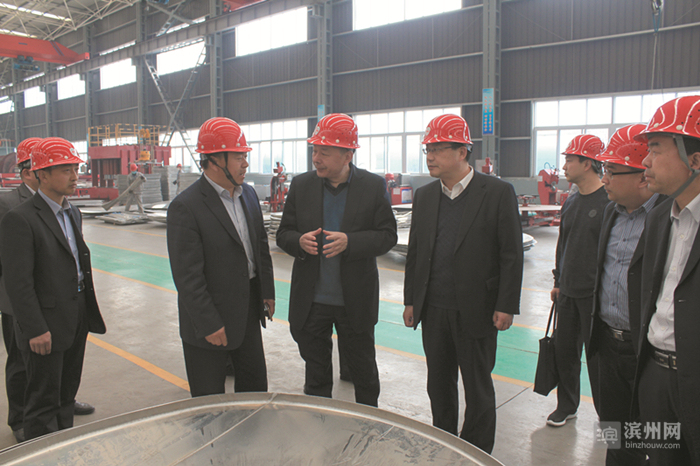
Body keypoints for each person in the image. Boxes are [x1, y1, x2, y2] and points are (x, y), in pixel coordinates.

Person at [402, 113, 523, 453]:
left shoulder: (496, 192)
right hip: (434, 308)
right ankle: (444, 445)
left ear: (462, 152)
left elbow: (511, 254)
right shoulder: (426, 196)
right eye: (428, 150)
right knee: (439, 385)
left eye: (437, 149)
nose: (430, 157)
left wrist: (506, 305)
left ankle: (476, 452)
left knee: (478, 388)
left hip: (478, 310)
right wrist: (411, 300)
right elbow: (416, 251)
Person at [276, 113, 397, 407]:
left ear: (347, 155)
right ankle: (321, 422)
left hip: (353, 300)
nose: (316, 159)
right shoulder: (302, 185)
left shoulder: (372, 186)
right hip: (312, 300)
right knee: (316, 374)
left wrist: (351, 242)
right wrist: (298, 241)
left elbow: (387, 235)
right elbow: (283, 233)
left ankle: (368, 422)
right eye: (314, 151)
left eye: (324, 153)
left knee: (363, 372)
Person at [0, 138, 106, 441]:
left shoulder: (72, 212)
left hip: (76, 314)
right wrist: (35, 328)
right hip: (45, 321)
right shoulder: (20, 218)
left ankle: (63, 444)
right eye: (65, 170)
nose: (74, 176)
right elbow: (19, 282)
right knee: (43, 398)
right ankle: (41, 450)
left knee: (66, 391)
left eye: (75, 169)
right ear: (41, 175)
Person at [167, 117, 275, 397]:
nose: (245, 164)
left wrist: (266, 292)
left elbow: (260, 247)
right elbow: (187, 277)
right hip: (209, 319)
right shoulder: (186, 207)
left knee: (254, 391)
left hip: (248, 311)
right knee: (210, 400)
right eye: (239, 157)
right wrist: (209, 323)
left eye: (244, 156)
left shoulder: (248, 194)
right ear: (214, 160)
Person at [587, 125, 663, 465]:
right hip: (607, 344)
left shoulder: (668, 218)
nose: (604, 179)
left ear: (642, 176)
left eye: (612, 171)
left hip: (645, 351)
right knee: (613, 431)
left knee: (655, 438)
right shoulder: (611, 212)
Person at [632, 95, 700, 465]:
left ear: (696, 160)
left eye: (656, 149)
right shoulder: (659, 219)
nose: (645, 161)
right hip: (656, 377)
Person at [548, 134, 609, 427]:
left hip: (595, 296)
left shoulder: (609, 201)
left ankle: (606, 412)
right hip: (568, 292)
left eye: (569, 160)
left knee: (598, 359)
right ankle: (567, 406)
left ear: (587, 163)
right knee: (565, 353)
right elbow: (563, 244)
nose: (564, 167)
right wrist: (558, 281)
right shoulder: (571, 201)